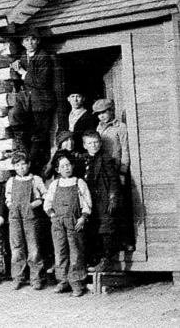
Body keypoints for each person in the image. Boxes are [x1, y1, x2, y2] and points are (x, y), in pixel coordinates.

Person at [44, 152, 92, 297]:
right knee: (60, 251)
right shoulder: (55, 184)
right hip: (58, 223)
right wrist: (52, 214)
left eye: (69, 165)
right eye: (63, 166)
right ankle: (63, 281)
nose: (66, 168)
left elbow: (87, 202)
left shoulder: (79, 183)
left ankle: (77, 283)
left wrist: (83, 217)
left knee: (76, 252)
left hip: (74, 223)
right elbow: (47, 203)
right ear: (58, 169)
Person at [11, 28, 56, 174]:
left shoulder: (43, 57)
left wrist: (23, 73)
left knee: (38, 136)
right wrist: (15, 67)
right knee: (15, 116)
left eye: (33, 39)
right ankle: (24, 155)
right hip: (28, 103)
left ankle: (32, 167)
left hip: (42, 103)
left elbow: (42, 81)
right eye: (26, 40)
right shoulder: (23, 56)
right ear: (22, 43)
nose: (30, 43)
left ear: (38, 41)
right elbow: (16, 76)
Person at [93, 99, 134, 251]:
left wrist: (123, 171)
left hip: (116, 170)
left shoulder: (120, 127)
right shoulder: (99, 128)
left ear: (111, 111)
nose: (102, 116)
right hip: (103, 171)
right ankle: (114, 243)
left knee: (120, 206)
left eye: (104, 112)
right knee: (107, 208)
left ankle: (127, 240)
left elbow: (125, 150)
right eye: (99, 114)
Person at [6, 151, 47, 290]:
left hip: (31, 217)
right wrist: (10, 205)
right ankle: (18, 277)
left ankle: (36, 278)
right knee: (17, 247)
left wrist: (36, 203)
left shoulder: (36, 179)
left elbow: (45, 195)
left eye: (23, 164)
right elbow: (8, 198)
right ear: (14, 167)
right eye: (17, 165)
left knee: (33, 247)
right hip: (15, 217)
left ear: (28, 164)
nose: (21, 167)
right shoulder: (11, 181)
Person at [82, 130, 122, 272]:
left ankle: (106, 260)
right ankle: (94, 260)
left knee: (106, 227)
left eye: (96, 142)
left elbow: (114, 180)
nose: (93, 145)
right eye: (90, 143)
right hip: (90, 199)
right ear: (85, 145)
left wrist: (112, 198)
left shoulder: (105, 159)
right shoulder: (84, 160)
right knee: (92, 229)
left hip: (103, 198)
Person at [67, 88, 97, 152]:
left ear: (83, 98)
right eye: (72, 96)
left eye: (78, 96)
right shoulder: (66, 116)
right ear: (68, 99)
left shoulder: (89, 116)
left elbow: (91, 136)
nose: (75, 100)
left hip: (82, 151)